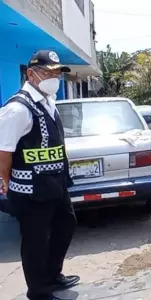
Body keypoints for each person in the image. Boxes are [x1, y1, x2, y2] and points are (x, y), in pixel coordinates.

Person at [0, 50, 79, 300]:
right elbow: (4, 151)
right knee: (35, 241)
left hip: (55, 183)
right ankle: (39, 292)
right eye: (48, 73)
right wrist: (5, 180)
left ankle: (51, 276)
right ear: (31, 74)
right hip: (30, 189)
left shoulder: (47, 100)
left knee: (66, 224)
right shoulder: (17, 109)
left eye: (57, 73)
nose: (54, 77)